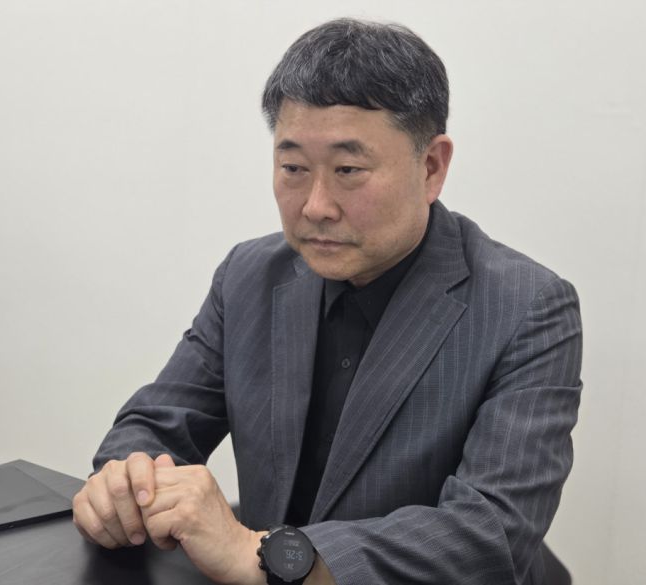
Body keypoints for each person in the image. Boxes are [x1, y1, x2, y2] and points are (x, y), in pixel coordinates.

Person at [72, 18, 582, 585]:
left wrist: (264, 555)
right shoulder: (249, 274)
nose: (315, 206)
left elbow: (490, 533)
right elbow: (158, 422)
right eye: (293, 168)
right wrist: (127, 483)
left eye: (348, 171)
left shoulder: (527, 307)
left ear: (431, 167)